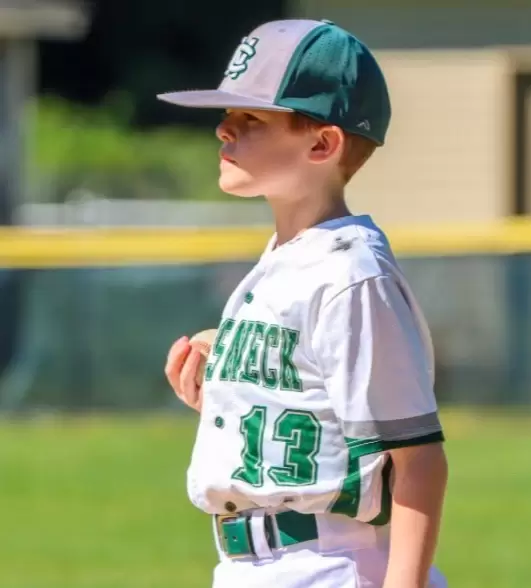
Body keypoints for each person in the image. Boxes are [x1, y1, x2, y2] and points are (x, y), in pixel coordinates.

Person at [161, 18, 448, 588]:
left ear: (322, 143)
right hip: (253, 566)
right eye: (228, 113)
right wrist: (232, 388)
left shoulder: (351, 274)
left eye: (252, 118)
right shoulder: (287, 258)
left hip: (330, 563)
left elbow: (418, 460)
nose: (224, 128)